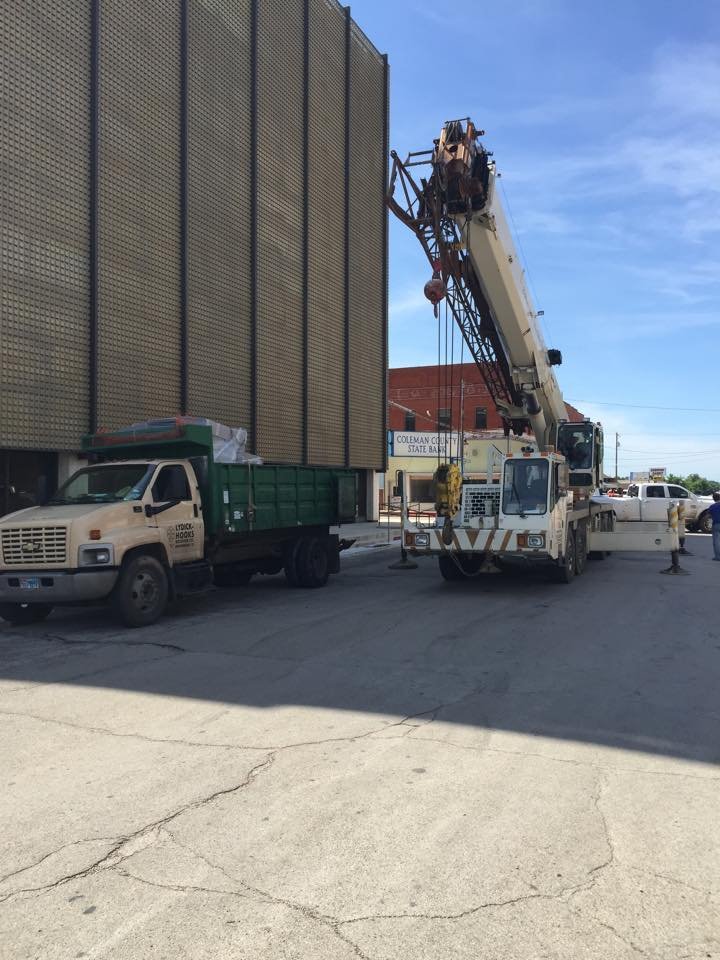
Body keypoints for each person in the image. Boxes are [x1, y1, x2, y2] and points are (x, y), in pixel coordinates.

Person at [710, 492, 720, 561]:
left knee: (716, 541)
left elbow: (709, 515)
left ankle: (717, 557)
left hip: (716, 524)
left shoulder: (712, 506)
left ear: (713, 499)